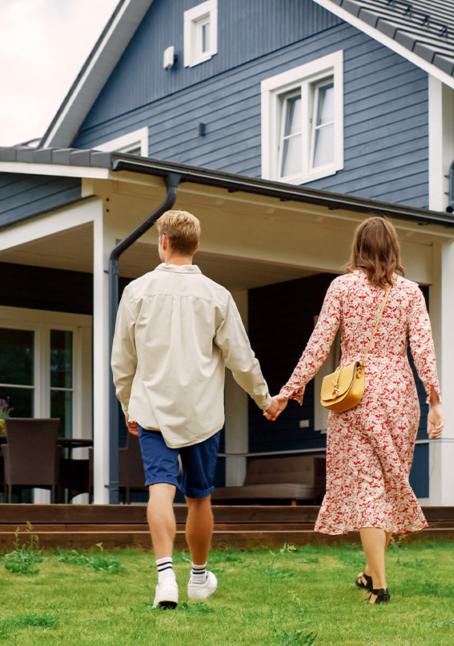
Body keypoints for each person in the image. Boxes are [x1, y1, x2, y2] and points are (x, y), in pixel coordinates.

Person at [264, 216, 444, 606]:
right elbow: (424, 350)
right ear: (394, 248)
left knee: (368, 488)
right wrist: (435, 400)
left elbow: (319, 344)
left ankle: (379, 586)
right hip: (400, 394)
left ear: (359, 247)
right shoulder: (411, 293)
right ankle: (370, 574)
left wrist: (287, 392)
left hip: (355, 394)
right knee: (387, 486)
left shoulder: (342, 287)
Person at [111, 210, 273, 609]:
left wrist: (127, 403)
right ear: (196, 246)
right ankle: (198, 579)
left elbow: (122, 360)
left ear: (162, 242)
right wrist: (265, 400)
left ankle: (166, 578)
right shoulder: (218, 295)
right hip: (202, 415)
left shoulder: (137, 292)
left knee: (160, 490)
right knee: (199, 498)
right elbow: (242, 359)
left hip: (152, 411)